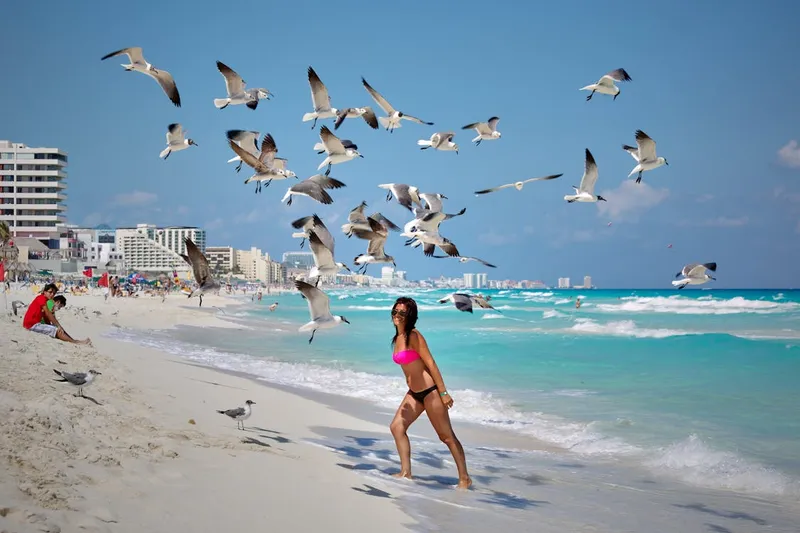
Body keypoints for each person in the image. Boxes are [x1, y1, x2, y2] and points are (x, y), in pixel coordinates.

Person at [388, 297, 472, 489]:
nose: (397, 315)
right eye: (395, 311)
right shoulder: (398, 338)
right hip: (414, 393)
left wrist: (443, 392)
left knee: (446, 437)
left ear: (410, 316)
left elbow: (431, 363)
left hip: (430, 392)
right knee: (397, 427)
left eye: (402, 313)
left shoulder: (414, 336)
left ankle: (464, 478)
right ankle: (406, 472)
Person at [22, 283, 91, 345]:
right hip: (31, 324)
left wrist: (53, 325)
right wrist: (58, 326)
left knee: (57, 328)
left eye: (54, 293)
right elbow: (48, 314)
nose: (52, 294)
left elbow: (46, 317)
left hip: (34, 324)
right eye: (50, 292)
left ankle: (73, 340)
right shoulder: (41, 298)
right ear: (44, 292)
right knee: (57, 329)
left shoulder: (46, 300)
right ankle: (74, 342)